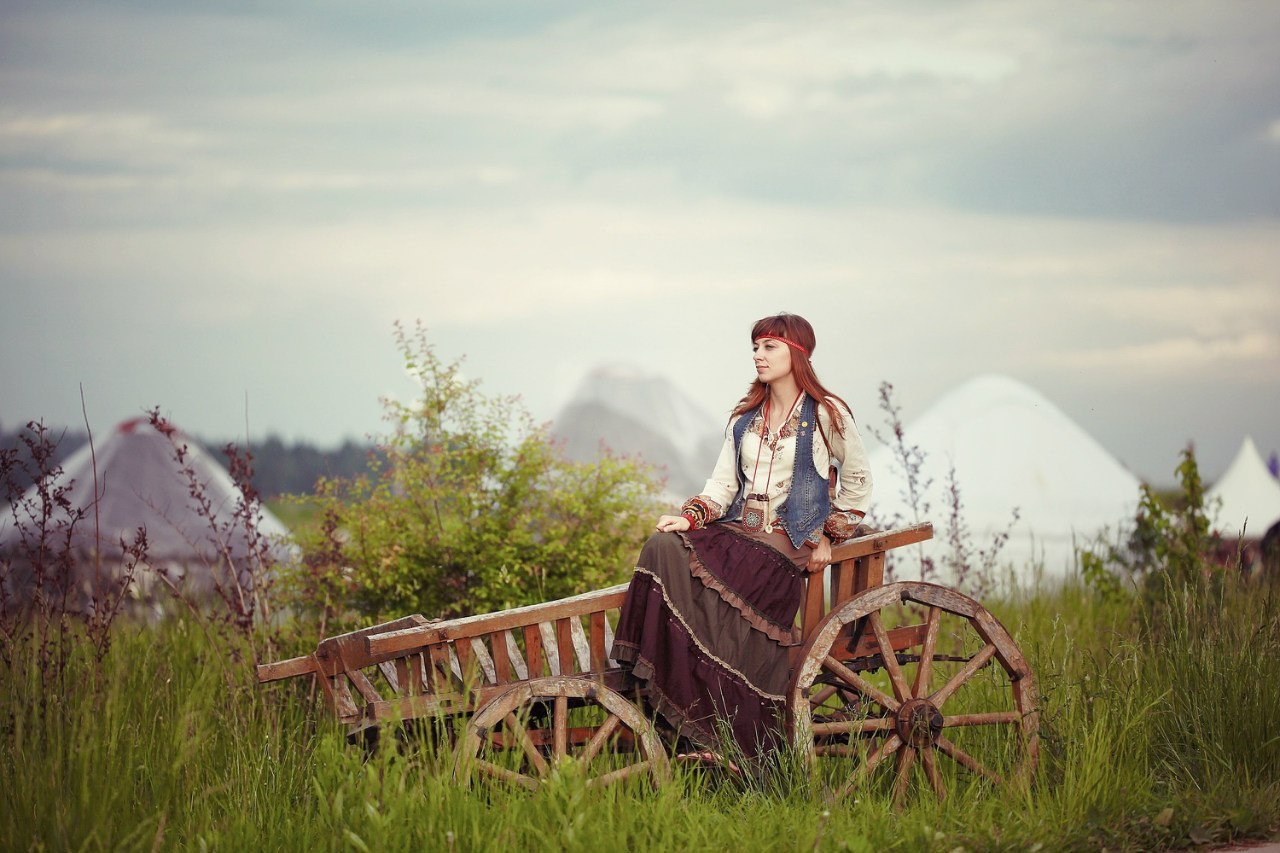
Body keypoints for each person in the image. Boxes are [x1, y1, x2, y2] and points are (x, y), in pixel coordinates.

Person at [610, 312, 873, 761]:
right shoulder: (745, 417)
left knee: (728, 572)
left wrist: (829, 534)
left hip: (787, 543)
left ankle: (734, 724)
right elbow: (722, 486)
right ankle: (682, 689)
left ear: (798, 353)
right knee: (662, 546)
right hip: (740, 534)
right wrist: (690, 518)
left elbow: (858, 483)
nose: (758, 355)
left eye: (769, 347)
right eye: (755, 347)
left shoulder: (828, 413)